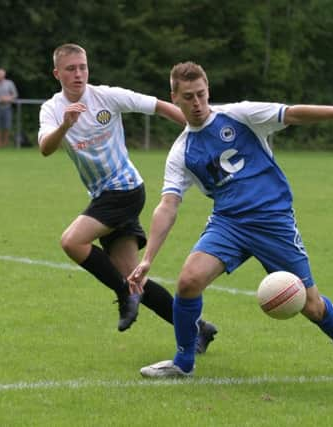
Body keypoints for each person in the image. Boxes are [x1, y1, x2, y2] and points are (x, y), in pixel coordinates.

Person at [128, 61, 333, 378]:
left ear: (208, 89)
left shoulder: (240, 115)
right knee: (188, 281)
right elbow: (168, 205)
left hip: (273, 221)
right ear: (174, 97)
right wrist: (148, 259)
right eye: (188, 97)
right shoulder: (182, 151)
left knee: (311, 305)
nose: (196, 103)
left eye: (201, 94)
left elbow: (292, 113)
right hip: (228, 224)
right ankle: (183, 364)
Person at [37, 45, 217, 353]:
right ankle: (198, 328)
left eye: (82, 67)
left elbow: (160, 106)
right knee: (137, 280)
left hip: (126, 189)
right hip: (103, 195)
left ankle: (124, 295)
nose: (78, 73)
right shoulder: (52, 109)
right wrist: (65, 125)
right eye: (70, 69)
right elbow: (45, 147)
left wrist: (199, 130)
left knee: (72, 242)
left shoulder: (106, 96)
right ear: (57, 74)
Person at [0, 68, 18, 147]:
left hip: (7, 107)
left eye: (1, 74)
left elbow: (15, 95)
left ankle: (5, 143)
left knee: (7, 126)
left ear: (4, 75)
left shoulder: (10, 83)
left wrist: (8, 99)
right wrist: (0, 99)